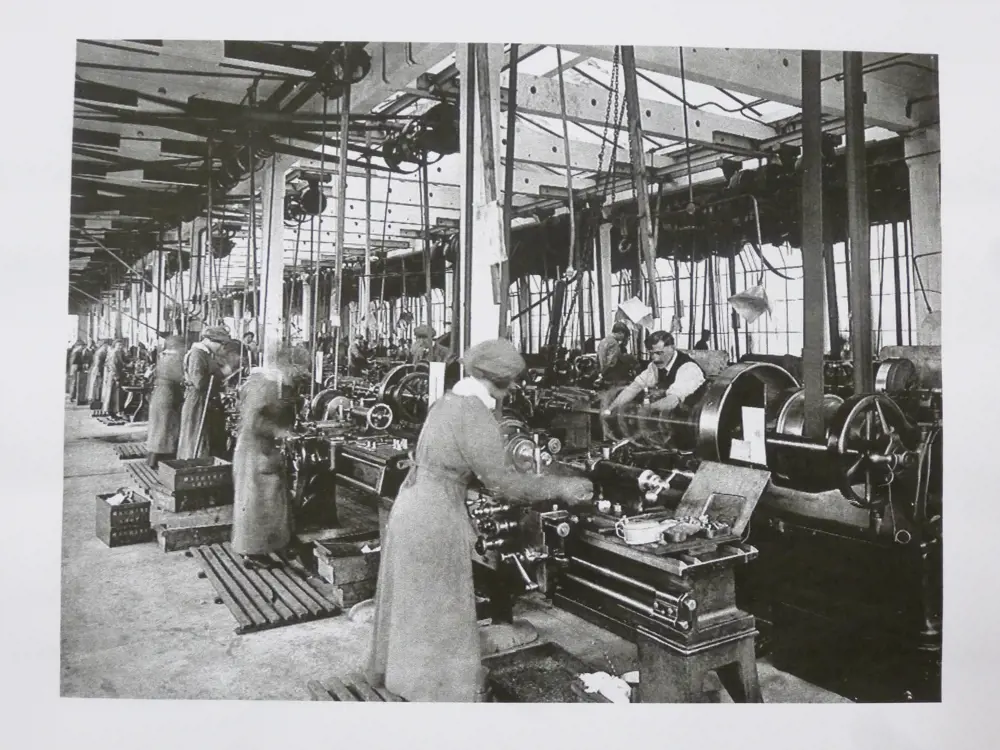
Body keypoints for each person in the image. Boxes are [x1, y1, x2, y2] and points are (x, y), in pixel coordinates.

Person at [367, 339, 594, 702]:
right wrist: (562, 485)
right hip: (435, 515)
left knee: (416, 603)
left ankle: (408, 680)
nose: (517, 388)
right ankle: (438, 691)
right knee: (441, 603)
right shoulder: (475, 414)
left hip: (412, 504)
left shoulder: (448, 402)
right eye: (514, 381)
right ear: (502, 381)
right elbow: (505, 486)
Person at [231, 367, 298, 570]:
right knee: (257, 505)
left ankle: (272, 544)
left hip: (257, 450)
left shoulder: (260, 382)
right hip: (256, 451)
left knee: (269, 502)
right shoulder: (265, 387)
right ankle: (253, 553)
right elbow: (254, 421)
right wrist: (281, 432)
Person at [606, 330, 707, 415]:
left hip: (696, 419)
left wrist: (644, 409)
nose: (655, 358)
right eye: (651, 353)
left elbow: (673, 400)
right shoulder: (655, 366)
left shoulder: (688, 368)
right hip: (672, 418)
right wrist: (610, 409)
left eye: (659, 353)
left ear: (672, 348)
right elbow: (634, 387)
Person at [177, 326, 232, 460]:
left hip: (204, 399)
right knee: (196, 434)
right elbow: (199, 382)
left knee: (202, 434)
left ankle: (200, 462)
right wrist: (221, 374)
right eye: (220, 343)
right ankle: (194, 464)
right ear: (209, 340)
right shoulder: (197, 354)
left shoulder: (205, 354)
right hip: (197, 400)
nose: (221, 347)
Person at [145, 336, 185, 469]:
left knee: (158, 429)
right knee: (165, 428)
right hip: (168, 395)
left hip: (160, 394)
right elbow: (178, 377)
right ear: (176, 346)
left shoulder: (163, 357)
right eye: (182, 346)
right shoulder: (174, 359)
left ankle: (153, 460)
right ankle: (162, 462)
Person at [101, 340, 126, 416]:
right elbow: (113, 366)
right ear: (115, 346)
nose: (120, 347)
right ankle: (110, 412)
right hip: (113, 376)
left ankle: (114, 412)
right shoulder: (114, 353)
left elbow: (120, 363)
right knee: (112, 394)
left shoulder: (118, 353)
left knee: (115, 395)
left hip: (115, 375)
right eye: (119, 345)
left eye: (121, 345)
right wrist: (116, 377)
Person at [87, 340, 110, 407]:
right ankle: (93, 400)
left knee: (95, 385)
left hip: (96, 368)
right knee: (96, 385)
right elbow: (98, 363)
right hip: (97, 369)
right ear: (104, 345)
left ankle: (93, 399)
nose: (107, 347)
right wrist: (99, 371)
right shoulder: (101, 352)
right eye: (106, 345)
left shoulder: (100, 351)